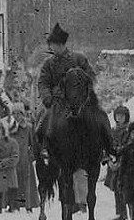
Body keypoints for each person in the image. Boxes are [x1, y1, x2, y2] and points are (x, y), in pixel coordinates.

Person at [35, 23, 96, 159]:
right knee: (44, 120)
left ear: (60, 44)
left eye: (52, 45)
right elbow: (43, 82)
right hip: (56, 101)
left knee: (98, 118)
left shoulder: (78, 58)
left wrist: (84, 94)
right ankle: (45, 145)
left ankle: (103, 147)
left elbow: (91, 77)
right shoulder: (48, 63)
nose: (50, 48)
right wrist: (47, 97)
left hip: (79, 101)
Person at [8, 104, 39, 212]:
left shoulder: (28, 127)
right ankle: (14, 205)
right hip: (14, 160)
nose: (16, 116)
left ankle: (28, 205)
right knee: (14, 182)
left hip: (25, 160)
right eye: (14, 113)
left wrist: (31, 155)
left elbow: (34, 143)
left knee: (26, 183)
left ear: (22, 114)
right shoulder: (10, 128)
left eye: (18, 113)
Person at [105, 105, 131, 220]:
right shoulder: (112, 131)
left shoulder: (129, 131)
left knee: (126, 188)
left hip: (125, 164)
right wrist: (109, 161)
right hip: (113, 163)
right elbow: (105, 146)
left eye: (122, 115)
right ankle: (121, 213)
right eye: (117, 115)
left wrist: (120, 161)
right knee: (116, 188)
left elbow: (129, 147)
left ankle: (131, 214)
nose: (119, 118)